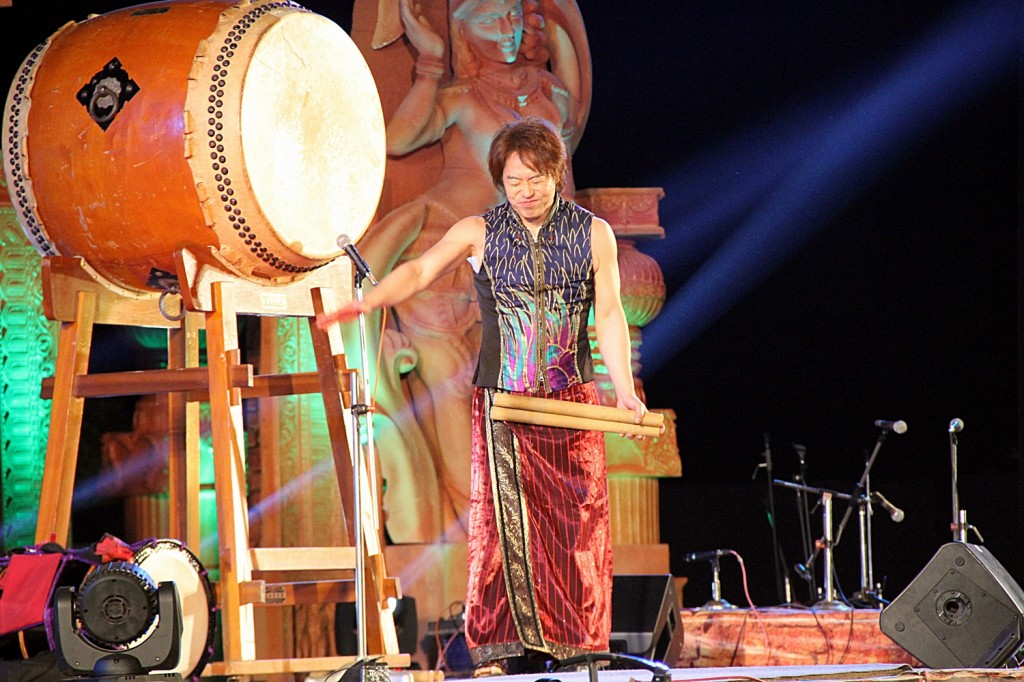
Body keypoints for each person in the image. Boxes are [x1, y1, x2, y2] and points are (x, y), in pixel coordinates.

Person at [319, 117, 650, 672]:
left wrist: (623, 392)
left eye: (537, 179)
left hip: (571, 400)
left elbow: (611, 313)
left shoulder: (594, 233)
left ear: (557, 173)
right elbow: (421, 270)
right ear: (501, 179)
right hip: (503, 402)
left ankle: (577, 648)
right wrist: (371, 302)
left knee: (577, 522)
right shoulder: (479, 230)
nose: (526, 190)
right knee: (501, 525)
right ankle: (500, 651)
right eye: (515, 180)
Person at [350, 0, 592, 542]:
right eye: (488, 21)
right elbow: (397, 140)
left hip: (517, 269)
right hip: (448, 256)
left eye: (511, 16)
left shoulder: (552, 94)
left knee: (522, 399)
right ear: (462, 30)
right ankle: (471, 548)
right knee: (455, 390)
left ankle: (523, 544)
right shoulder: (459, 98)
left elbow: (563, 185)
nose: (506, 31)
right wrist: (430, 62)